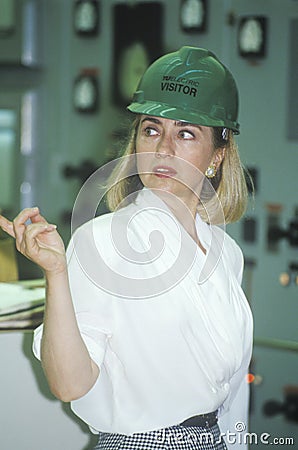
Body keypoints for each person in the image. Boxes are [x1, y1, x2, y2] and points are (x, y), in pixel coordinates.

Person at [0, 47, 253, 450]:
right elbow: (69, 384)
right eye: (152, 129)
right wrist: (56, 273)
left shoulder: (225, 252)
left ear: (217, 156)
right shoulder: (102, 241)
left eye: (186, 133)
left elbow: (235, 392)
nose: (164, 148)